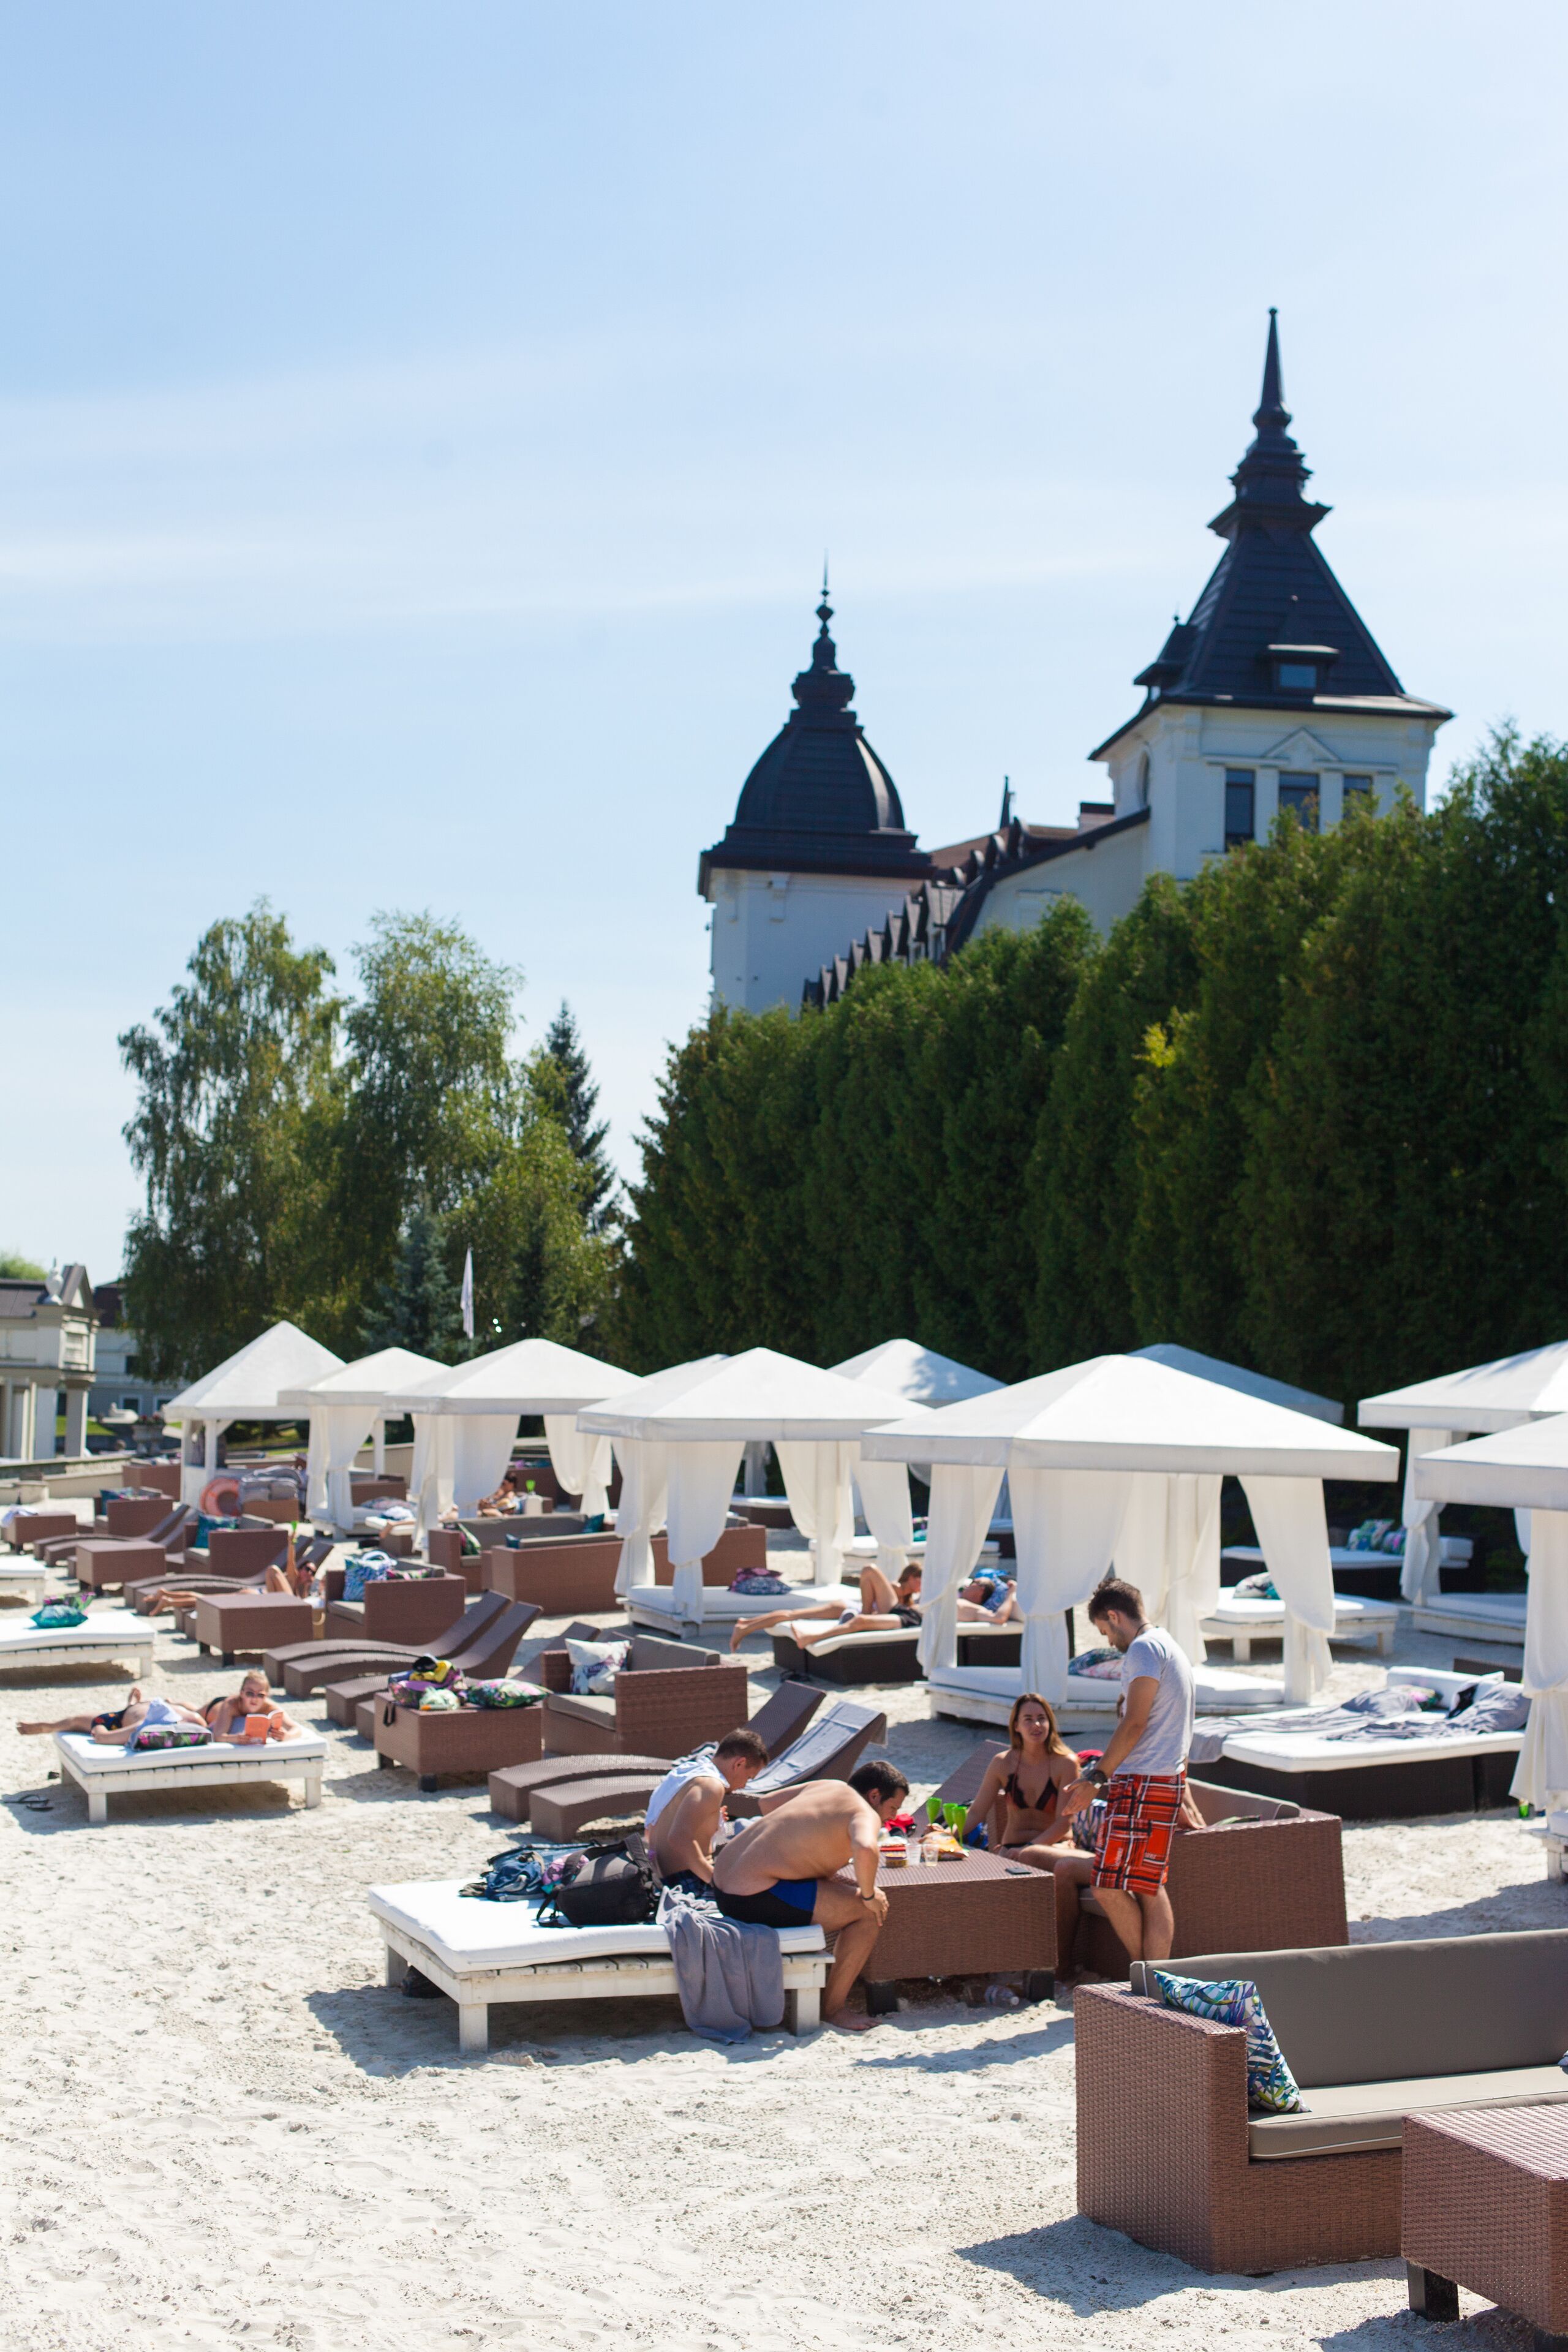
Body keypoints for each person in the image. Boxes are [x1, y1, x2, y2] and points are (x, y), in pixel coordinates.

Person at [710, 1758, 909, 2032]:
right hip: (752, 1897)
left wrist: (803, 1847)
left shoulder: (830, 1786)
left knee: (839, 1891)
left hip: (721, 1885)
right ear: (875, 1796)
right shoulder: (866, 1813)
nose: (892, 1817)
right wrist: (868, 1895)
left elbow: (767, 1803)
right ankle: (834, 2009)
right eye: (892, 1808)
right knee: (868, 1912)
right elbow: (865, 1848)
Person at [1060, 1577, 1196, 1968]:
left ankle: (1145, 1979)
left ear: (1115, 1616)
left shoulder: (1143, 1649)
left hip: (1143, 1782)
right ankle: (1149, 1979)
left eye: (1105, 1631)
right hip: (1160, 1779)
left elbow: (1134, 1725)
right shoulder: (1169, 1646)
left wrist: (1095, 1779)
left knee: (1113, 1887)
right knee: (1145, 1885)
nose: (1107, 1641)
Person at [728, 1561, 1008, 1654]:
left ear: (980, 1591)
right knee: (795, 1614)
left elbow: (998, 1618)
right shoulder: (907, 1594)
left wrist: (1013, 1594)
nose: (969, 1583)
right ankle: (746, 1625)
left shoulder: (970, 1607)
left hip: (895, 1615)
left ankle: (747, 1625)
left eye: (976, 1583)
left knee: (799, 1614)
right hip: (878, 1611)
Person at [646, 1726, 770, 1893]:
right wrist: (715, 1882)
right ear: (739, 1764)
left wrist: (714, 1825)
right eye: (748, 1777)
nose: (744, 1786)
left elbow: (657, 1830)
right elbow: (679, 1838)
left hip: (661, 1877)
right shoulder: (711, 1785)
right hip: (688, 1882)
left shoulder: (687, 1773)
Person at [960, 1692, 1080, 1861]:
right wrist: (945, 1834)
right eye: (1028, 1719)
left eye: (1041, 1718)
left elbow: (1063, 1823)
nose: (1036, 1724)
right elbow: (977, 1812)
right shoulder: (1002, 1763)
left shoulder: (1066, 1764)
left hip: (1055, 1846)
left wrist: (1028, 1849)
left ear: (1050, 1723)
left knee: (1029, 1858)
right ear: (1016, 1726)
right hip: (1012, 1848)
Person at [203, 1672, 304, 1742]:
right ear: (242, 1693)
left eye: (260, 1695)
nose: (255, 1699)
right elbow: (218, 1736)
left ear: (266, 1697)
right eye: (250, 1694)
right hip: (212, 1709)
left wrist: (287, 1736)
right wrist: (236, 1739)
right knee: (196, 1717)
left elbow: (296, 1728)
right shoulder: (231, 1705)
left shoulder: (270, 1707)